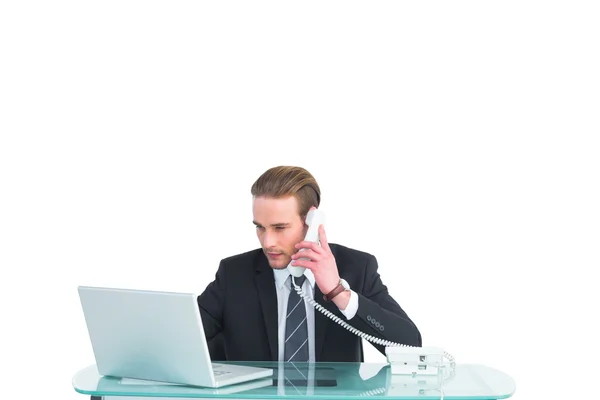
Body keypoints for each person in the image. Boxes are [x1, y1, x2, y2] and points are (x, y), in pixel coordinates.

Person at [197, 165, 421, 363]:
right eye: (260, 227)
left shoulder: (357, 267)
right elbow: (181, 341)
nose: (268, 242)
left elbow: (410, 346)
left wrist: (338, 292)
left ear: (311, 221)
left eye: (280, 228)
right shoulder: (234, 274)